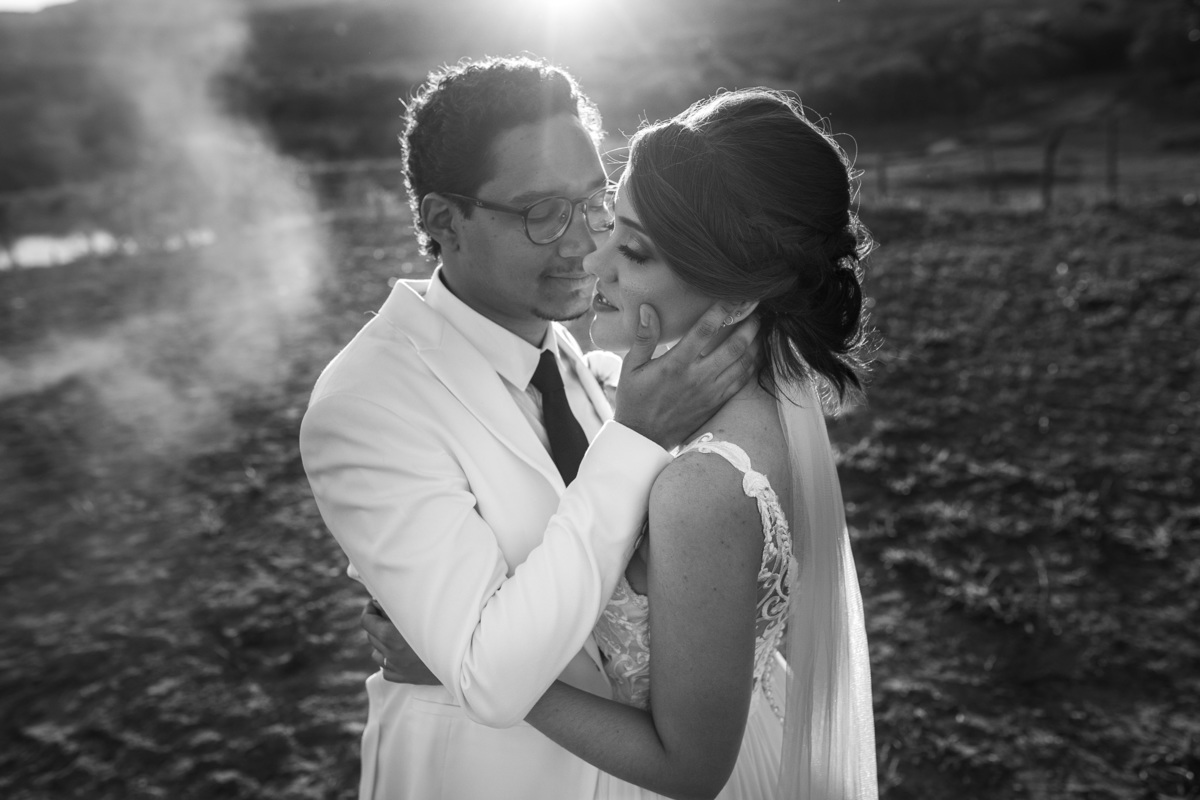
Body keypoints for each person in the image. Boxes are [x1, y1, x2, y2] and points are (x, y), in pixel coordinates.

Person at [367, 87, 880, 799]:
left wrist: (448, 655)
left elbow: (689, 768)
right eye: (613, 221)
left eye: (633, 250)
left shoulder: (704, 482)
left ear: (735, 298)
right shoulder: (751, 410)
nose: (594, 259)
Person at [298, 57, 761, 800]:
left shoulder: (566, 349)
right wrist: (636, 437)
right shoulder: (364, 405)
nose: (586, 243)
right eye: (543, 211)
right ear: (444, 221)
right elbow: (489, 678)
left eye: (593, 201)